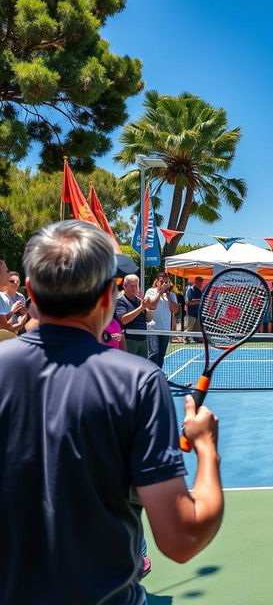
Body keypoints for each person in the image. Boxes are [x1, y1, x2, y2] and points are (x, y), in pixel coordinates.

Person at [0, 220, 223, 604]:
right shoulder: (138, 382)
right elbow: (182, 538)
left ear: (31, 292)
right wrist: (206, 449)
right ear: (107, 297)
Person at [145, 272, 179, 367]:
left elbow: (174, 309)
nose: (164, 284)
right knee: (153, 354)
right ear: (157, 282)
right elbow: (151, 305)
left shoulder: (171, 295)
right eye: (161, 282)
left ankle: (158, 376)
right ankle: (150, 376)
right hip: (153, 330)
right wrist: (159, 293)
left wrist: (167, 295)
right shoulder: (150, 292)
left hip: (165, 330)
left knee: (160, 356)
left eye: (166, 282)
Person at [116, 274, 154, 357]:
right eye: (132, 286)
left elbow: (148, 319)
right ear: (124, 286)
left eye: (136, 286)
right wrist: (141, 307)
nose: (135, 288)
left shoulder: (139, 300)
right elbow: (123, 320)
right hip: (129, 340)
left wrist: (149, 308)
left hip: (143, 339)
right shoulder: (120, 301)